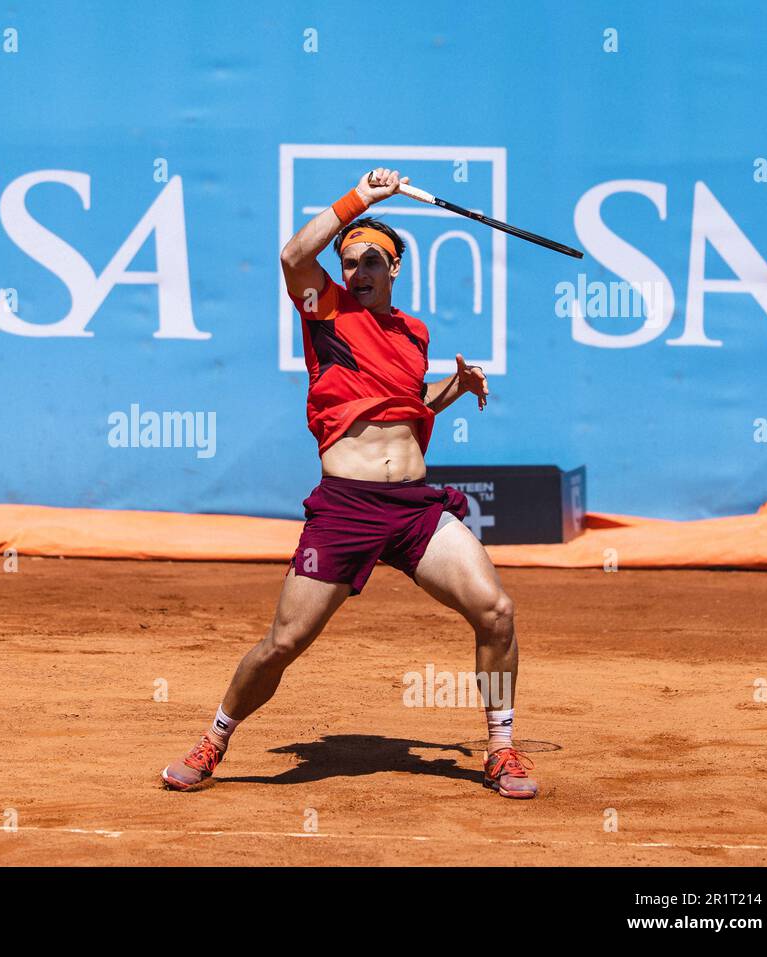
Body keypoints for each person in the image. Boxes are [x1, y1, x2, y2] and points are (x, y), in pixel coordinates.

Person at [161, 168, 537, 799]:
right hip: (347, 508)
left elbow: (404, 408)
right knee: (284, 643)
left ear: (394, 269)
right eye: (348, 259)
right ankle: (216, 738)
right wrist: (360, 198)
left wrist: (454, 389)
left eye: (369, 261)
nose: (355, 270)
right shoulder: (326, 311)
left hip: (414, 507)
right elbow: (291, 254)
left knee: (496, 612)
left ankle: (499, 748)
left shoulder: (414, 334)